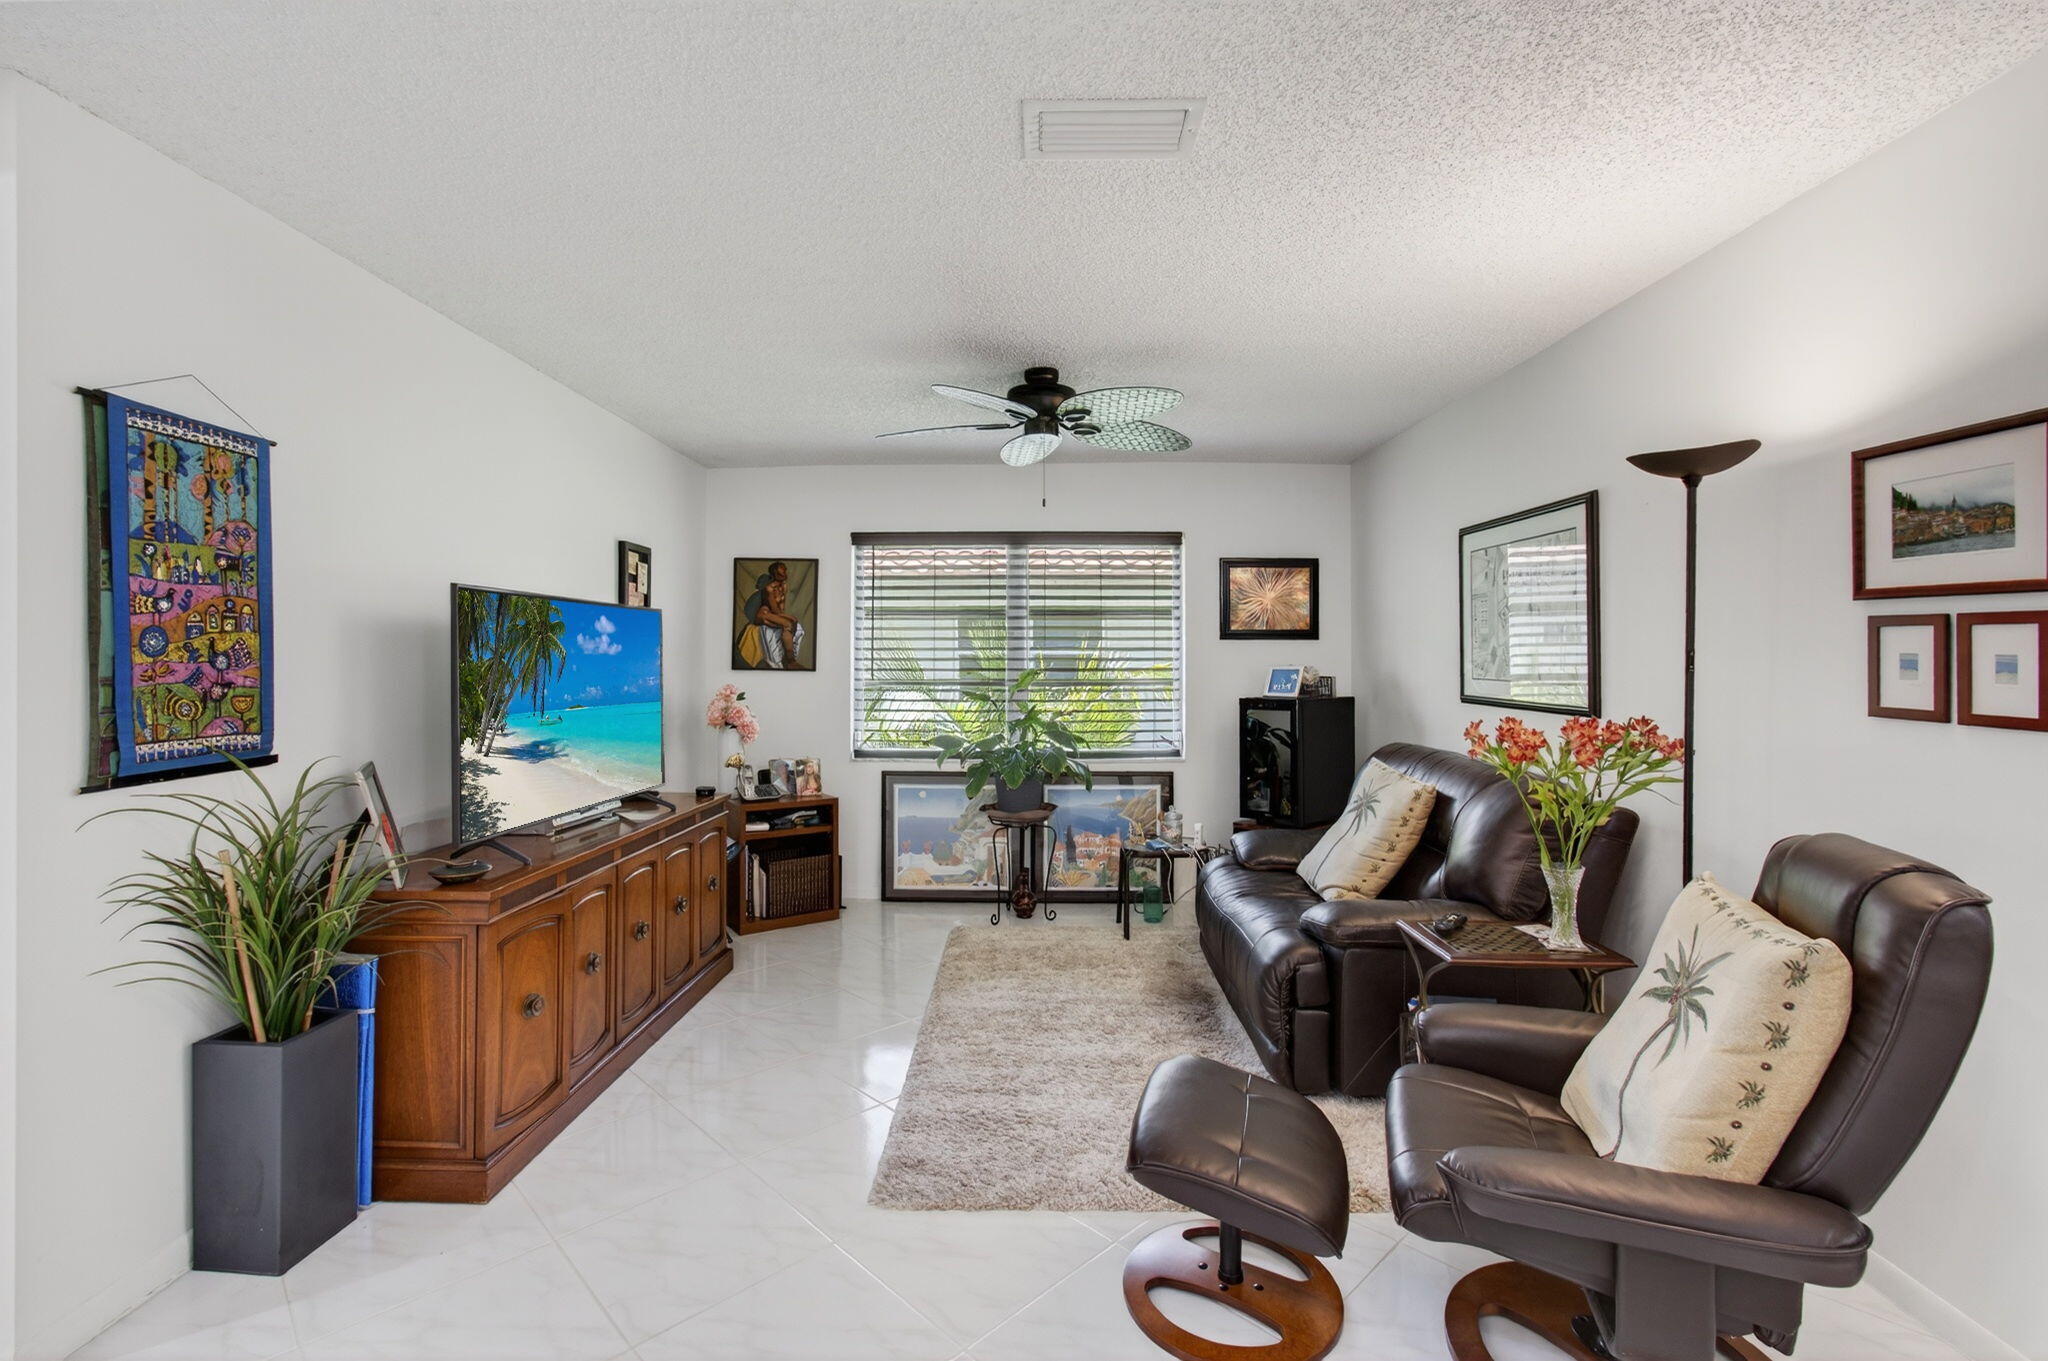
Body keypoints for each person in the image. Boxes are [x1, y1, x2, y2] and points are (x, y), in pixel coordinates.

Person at [738, 560, 805, 668]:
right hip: (762, 615)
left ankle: (787, 659)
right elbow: (775, 611)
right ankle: (790, 661)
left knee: (792, 623)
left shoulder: (784, 586)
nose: (785, 574)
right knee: (788, 624)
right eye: (781, 572)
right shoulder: (769, 589)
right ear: (775, 574)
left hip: (772, 614)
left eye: (785, 571)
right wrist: (789, 618)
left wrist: (788, 617)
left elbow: (781, 608)